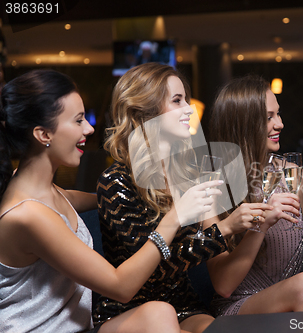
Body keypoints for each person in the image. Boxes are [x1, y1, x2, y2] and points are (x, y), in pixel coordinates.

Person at [0, 69, 214, 333]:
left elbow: (77, 198)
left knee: (169, 315)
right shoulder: (28, 215)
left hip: (83, 327)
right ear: (44, 134)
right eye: (78, 121)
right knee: (160, 312)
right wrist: (175, 216)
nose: (89, 128)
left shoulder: (39, 189)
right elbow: (121, 287)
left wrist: (132, 193)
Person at [93, 63, 259, 333]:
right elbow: (150, 272)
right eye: (177, 100)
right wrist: (219, 226)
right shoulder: (116, 181)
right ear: (146, 111)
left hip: (184, 306)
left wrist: (250, 223)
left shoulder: (189, 174)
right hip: (127, 312)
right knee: (162, 315)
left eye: (187, 100)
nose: (189, 110)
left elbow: (197, 258)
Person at [207, 75, 303, 316]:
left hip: (298, 301)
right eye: (268, 117)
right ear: (243, 123)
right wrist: (260, 225)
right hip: (241, 307)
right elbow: (223, 285)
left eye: (278, 114)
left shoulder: (293, 173)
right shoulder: (212, 187)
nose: (280, 124)